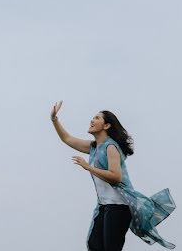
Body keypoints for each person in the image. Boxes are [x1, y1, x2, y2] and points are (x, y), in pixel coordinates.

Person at [50, 101, 175, 250]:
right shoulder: (94, 147)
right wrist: (54, 119)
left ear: (106, 125)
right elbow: (67, 139)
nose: (92, 120)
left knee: (111, 247)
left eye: (96, 118)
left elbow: (116, 176)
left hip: (119, 206)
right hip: (105, 206)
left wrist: (88, 167)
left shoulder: (110, 146)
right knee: (94, 245)